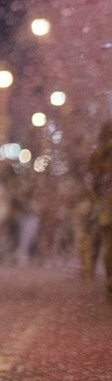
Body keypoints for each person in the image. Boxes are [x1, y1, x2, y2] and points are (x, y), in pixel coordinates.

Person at [81, 122, 112, 292]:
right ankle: (109, 279)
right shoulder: (97, 157)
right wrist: (96, 202)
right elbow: (90, 182)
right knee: (109, 244)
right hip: (105, 205)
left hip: (104, 203)